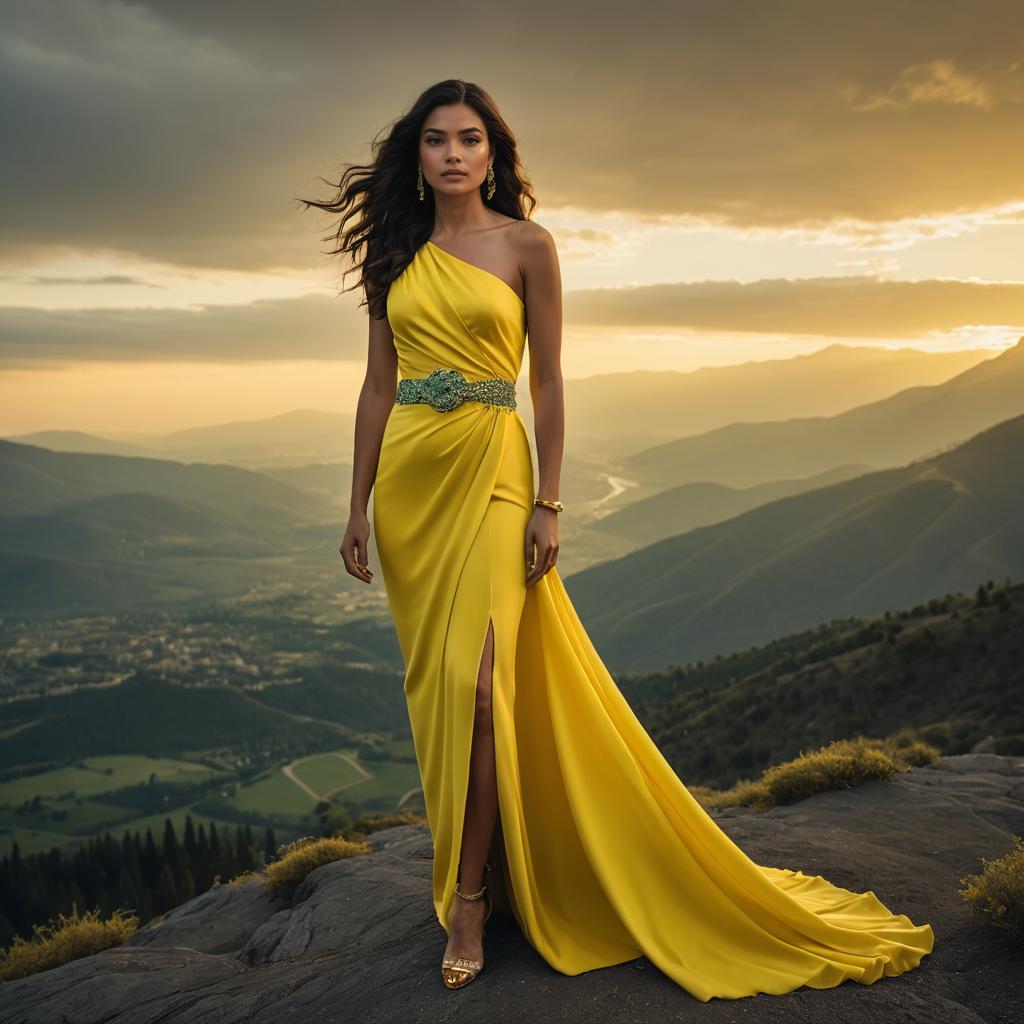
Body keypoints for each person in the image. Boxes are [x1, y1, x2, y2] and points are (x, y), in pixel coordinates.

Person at [308, 78, 935, 1000]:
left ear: (493, 154)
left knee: (482, 688)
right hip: (411, 488)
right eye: (436, 139)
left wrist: (549, 501)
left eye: (470, 139)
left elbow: (551, 383)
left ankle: (472, 900)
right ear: (416, 154)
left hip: (493, 467)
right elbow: (376, 387)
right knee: (441, 694)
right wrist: (356, 504)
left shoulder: (528, 245)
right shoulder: (396, 253)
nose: (452, 154)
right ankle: (489, 868)